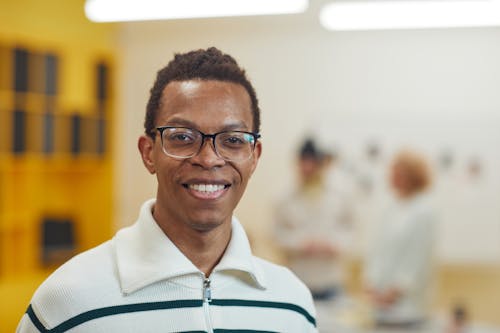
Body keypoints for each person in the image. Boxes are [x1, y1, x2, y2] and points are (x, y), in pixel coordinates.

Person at [17, 47, 317, 332]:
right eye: (183, 137)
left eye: (233, 140)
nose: (209, 158)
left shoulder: (291, 305)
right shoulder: (68, 303)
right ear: (149, 152)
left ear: (254, 157)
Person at [274, 138, 353, 331]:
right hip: (299, 281)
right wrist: (301, 243)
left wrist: (334, 244)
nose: (307, 168)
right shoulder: (284, 198)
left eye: (312, 164)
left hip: (331, 282)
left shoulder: (340, 196)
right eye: (303, 163)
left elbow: (352, 230)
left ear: (320, 165)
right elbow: (276, 234)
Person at [363, 149, 437, 329]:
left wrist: (393, 292)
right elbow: (378, 250)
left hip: (407, 303)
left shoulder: (424, 210)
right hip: (379, 300)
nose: (392, 177)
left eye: (399, 173)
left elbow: (417, 258)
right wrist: (371, 284)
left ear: (413, 176)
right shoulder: (391, 207)